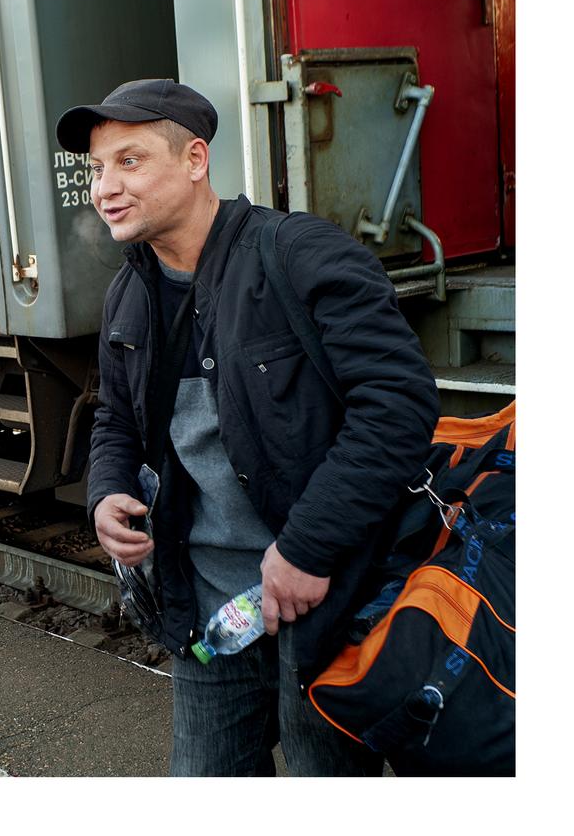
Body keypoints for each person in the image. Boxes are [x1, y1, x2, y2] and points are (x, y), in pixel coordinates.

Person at [56, 80, 439, 776]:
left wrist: (307, 548)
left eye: (130, 161)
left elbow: (399, 409)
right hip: (205, 612)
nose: (104, 187)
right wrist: (106, 489)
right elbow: (114, 417)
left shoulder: (299, 255)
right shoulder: (130, 292)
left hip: (323, 608)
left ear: (195, 159)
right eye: (96, 168)